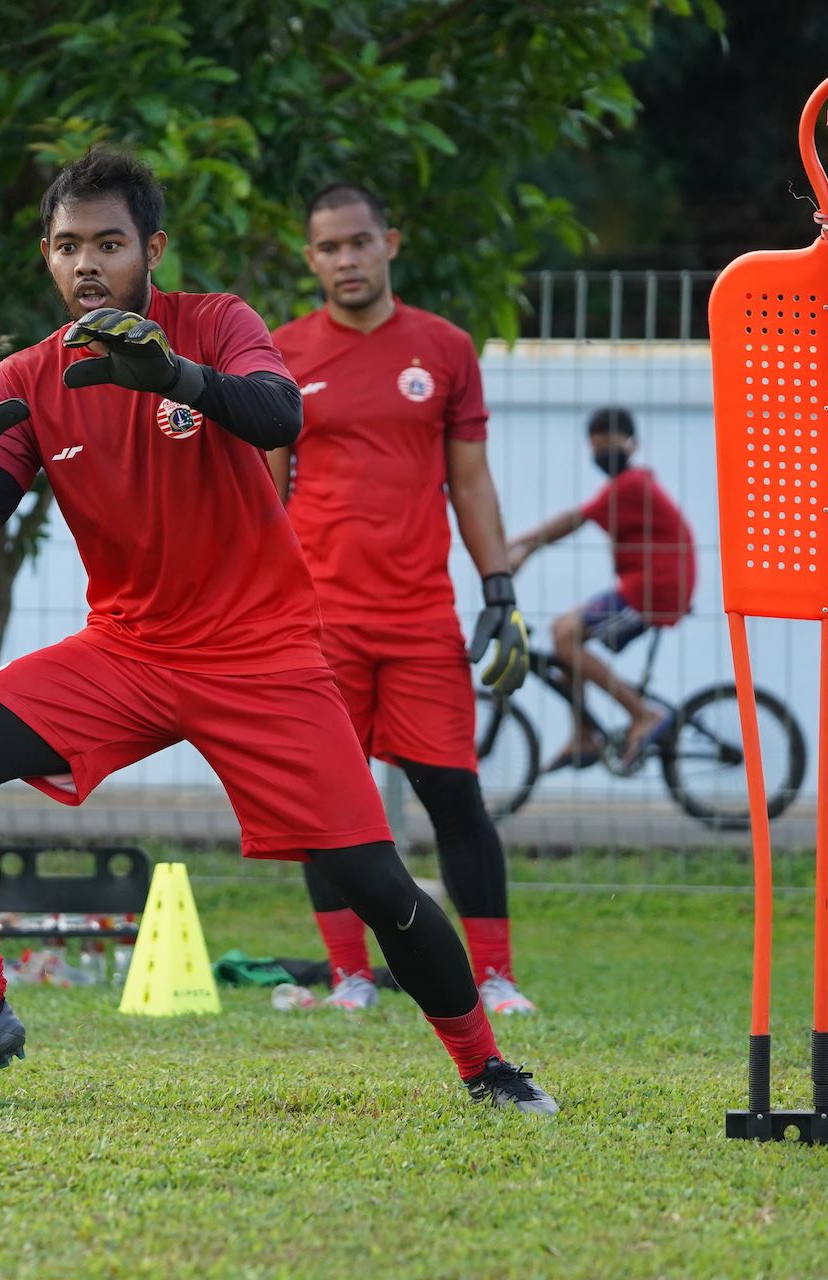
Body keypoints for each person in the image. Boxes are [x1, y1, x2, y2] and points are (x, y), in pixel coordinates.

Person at [0, 149, 555, 1115]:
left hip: (260, 653)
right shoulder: (29, 375)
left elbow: (279, 414)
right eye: (67, 246)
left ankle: (486, 1066)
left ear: (151, 248)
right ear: (46, 255)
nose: (87, 264)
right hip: (126, 651)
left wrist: (176, 376)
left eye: (109, 244)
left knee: (371, 877)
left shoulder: (217, 322)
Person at [266, 183, 535, 1018]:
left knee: (454, 795)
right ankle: (349, 977)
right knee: (325, 802)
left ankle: (495, 978)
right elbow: (265, 498)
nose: (346, 259)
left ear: (390, 242)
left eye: (359, 242)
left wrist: (499, 590)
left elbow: (471, 480)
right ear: (310, 259)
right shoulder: (282, 353)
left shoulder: (445, 349)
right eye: (329, 248)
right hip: (318, 622)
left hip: (421, 617)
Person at [504, 406, 696, 770]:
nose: (602, 453)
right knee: (564, 635)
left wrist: (517, 544)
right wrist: (525, 549)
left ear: (632, 444)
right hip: (647, 584)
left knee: (566, 637)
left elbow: (574, 519)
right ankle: (583, 735)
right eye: (596, 447)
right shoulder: (629, 486)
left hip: (656, 588)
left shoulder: (631, 485)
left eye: (609, 445)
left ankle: (642, 714)